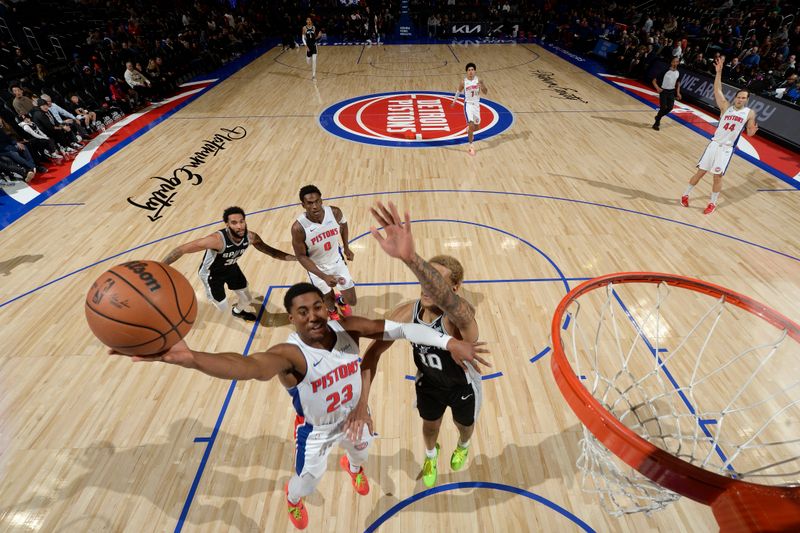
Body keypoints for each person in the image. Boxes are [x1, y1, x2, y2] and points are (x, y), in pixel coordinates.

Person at [111, 282, 487, 530]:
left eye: (318, 307)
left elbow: (403, 329)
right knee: (307, 480)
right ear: (291, 318)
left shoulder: (348, 328)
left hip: (355, 416)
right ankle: (292, 499)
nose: (313, 316)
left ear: (327, 308)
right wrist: (191, 358)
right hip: (318, 429)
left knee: (362, 451)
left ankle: (352, 466)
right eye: (302, 312)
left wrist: (447, 342)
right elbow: (246, 367)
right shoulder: (290, 353)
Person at [345, 202, 488, 488]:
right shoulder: (405, 313)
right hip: (429, 384)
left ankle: (462, 445)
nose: (425, 286)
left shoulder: (461, 317)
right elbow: (372, 354)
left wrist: (412, 260)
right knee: (430, 425)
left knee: (465, 427)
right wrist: (362, 403)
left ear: (455, 288)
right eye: (422, 279)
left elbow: (451, 304)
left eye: (433, 281)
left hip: (463, 386)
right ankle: (430, 455)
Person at [163, 206, 296, 321]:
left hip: (231, 268)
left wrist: (298, 258)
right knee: (222, 307)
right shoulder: (216, 240)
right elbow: (181, 249)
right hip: (212, 274)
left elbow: (272, 252)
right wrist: (161, 265)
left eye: (241, 221)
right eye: (234, 223)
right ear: (227, 224)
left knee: (247, 299)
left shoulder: (250, 237)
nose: (239, 226)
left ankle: (237, 312)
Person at [680, 56, 758, 215]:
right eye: (739, 96)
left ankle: (712, 203)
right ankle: (685, 194)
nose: (740, 99)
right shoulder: (725, 107)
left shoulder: (750, 113)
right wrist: (719, 72)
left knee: (717, 177)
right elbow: (717, 90)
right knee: (700, 173)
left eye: (744, 98)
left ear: (747, 100)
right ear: (735, 97)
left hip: (726, 149)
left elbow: (749, 133)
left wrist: (752, 131)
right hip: (714, 144)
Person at [291, 185, 355, 321]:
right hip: (317, 268)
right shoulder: (298, 228)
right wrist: (324, 276)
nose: (314, 206)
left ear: (321, 201)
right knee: (327, 297)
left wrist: (347, 247)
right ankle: (332, 310)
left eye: (317, 201)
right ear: (303, 205)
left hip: (337, 261)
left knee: (352, 299)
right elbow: (301, 256)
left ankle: (342, 300)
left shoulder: (335, 212)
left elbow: (343, 225)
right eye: (309, 203)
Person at [451, 63, 489, 156]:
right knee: (471, 124)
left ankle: (469, 129)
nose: (471, 72)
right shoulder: (463, 82)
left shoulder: (479, 80)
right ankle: (471, 146)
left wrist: (482, 86)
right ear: (466, 72)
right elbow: (458, 92)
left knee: (477, 127)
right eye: (469, 70)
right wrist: (454, 101)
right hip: (468, 105)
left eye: (472, 70)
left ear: (475, 71)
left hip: (476, 105)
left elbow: (486, 92)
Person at [652, 56, 683, 130]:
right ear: (671, 62)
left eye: (677, 61)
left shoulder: (678, 72)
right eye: (674, 61)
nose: (676, 63)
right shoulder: (665, 71)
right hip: (664, 91)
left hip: (671, 91)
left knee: (670, 108)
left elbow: (678, 83)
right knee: (663, 108)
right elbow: (654, 81)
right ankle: (656, 123)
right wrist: (658, 88)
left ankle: (658, 117)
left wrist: (678, 93)